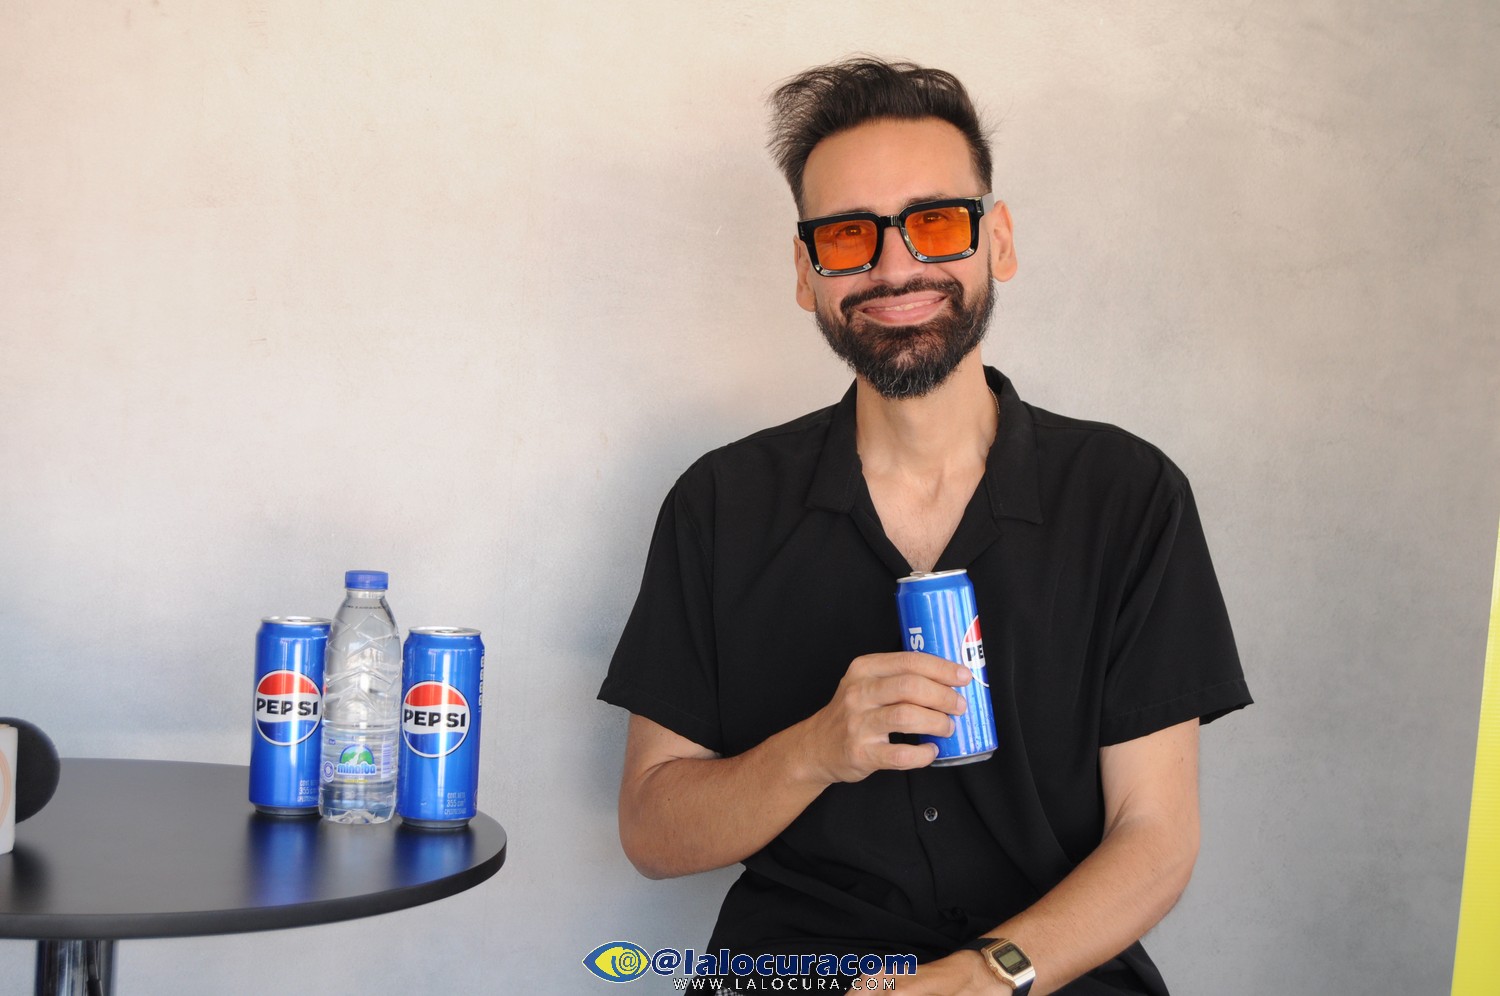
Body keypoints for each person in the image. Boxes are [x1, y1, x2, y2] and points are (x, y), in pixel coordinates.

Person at [598, 57, 1251, 995]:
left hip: (1046, 976)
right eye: (848, 235)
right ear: (806, 273)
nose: (895, 266)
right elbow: (653, 834)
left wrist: (989, 976)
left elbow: (1156, 836)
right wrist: (814, 750)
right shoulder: (719, 503)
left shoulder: (1127, 495)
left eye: (936, 222)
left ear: (999, 242)